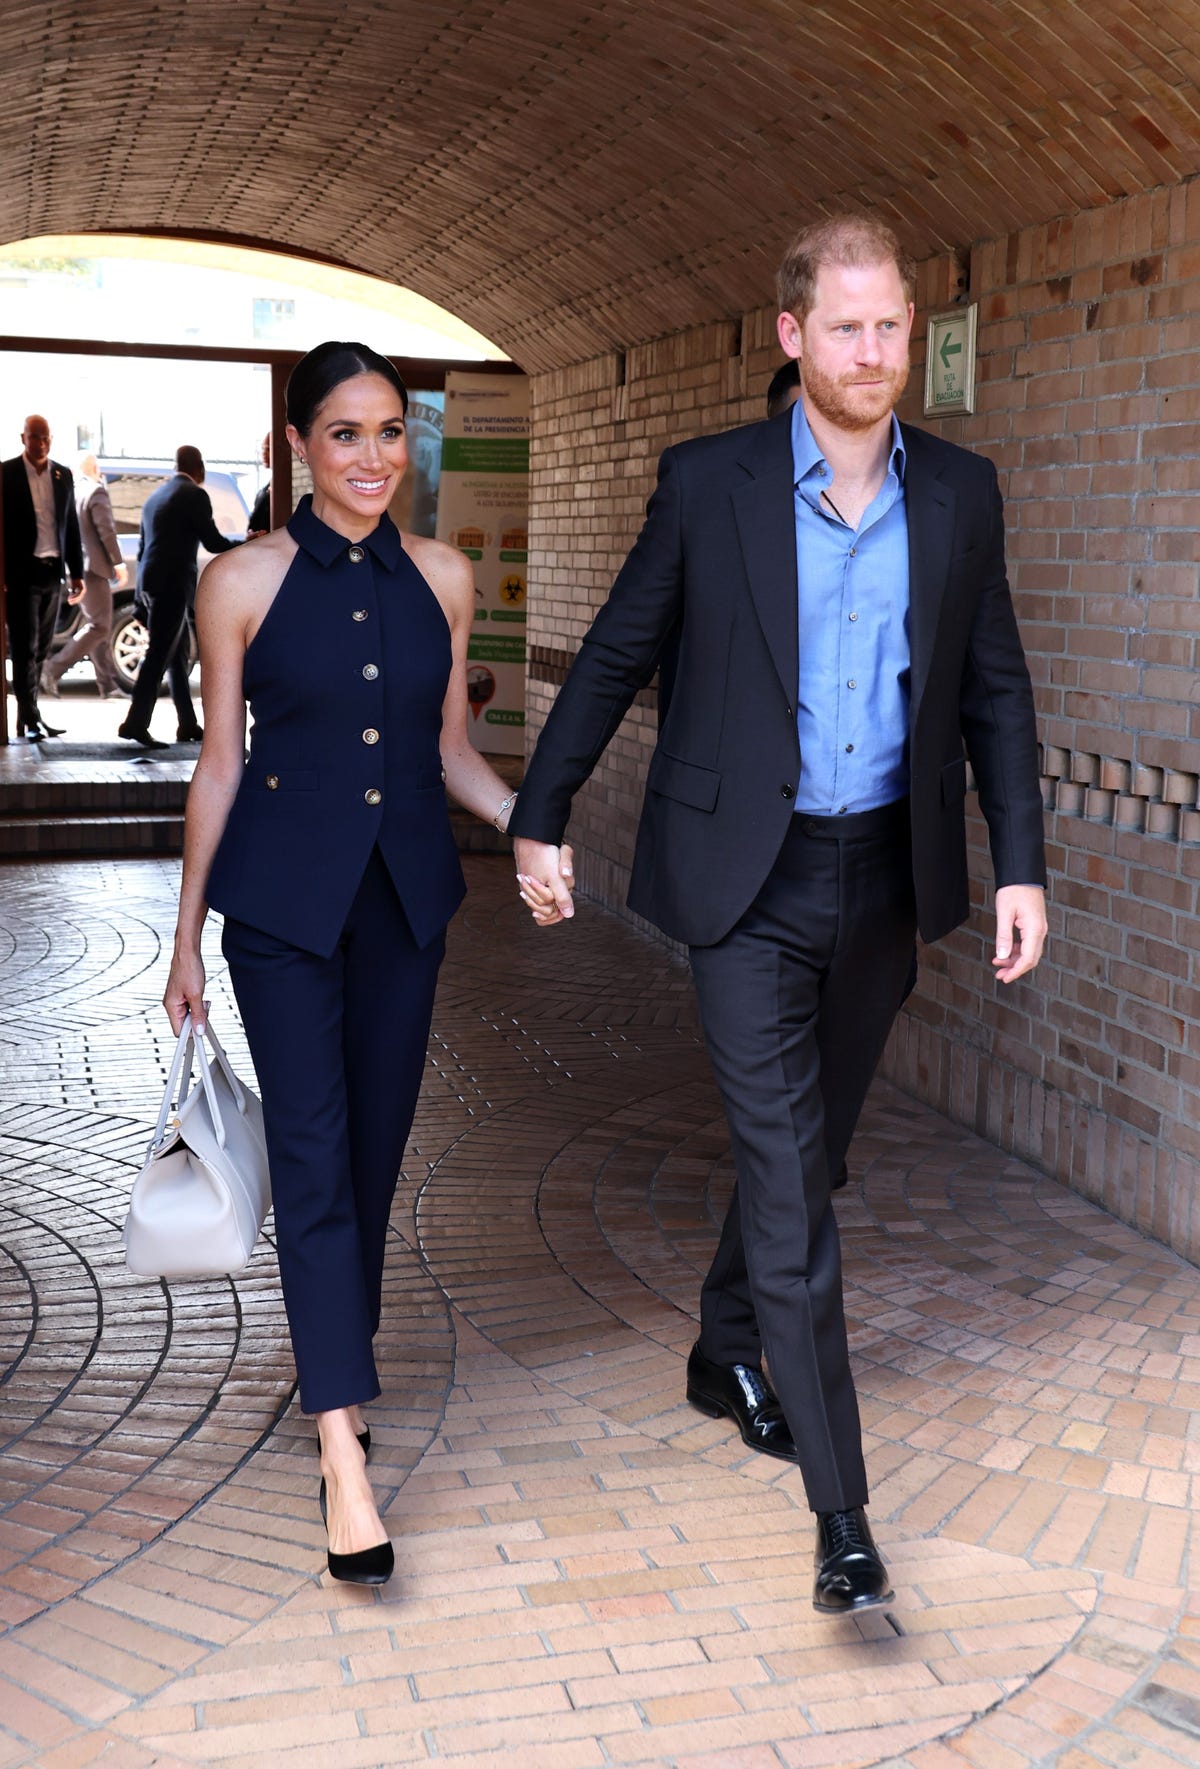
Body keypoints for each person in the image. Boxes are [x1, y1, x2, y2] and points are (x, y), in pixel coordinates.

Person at [509, 216, 1047, 1615]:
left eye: (896, 327)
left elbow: (994, 688)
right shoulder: (712, 486)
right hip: (744, 882)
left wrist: (1022, 867)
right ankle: (843, 1512)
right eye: (848, 326)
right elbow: (621, 651)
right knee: (797, 1179)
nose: (876, 352)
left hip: (885, 876)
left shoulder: (965, 495)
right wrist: (539, 810)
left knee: (819, 1147)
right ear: (794, 337)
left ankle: (720, 1340)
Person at [163, 341, 542, 1587]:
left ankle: (335, 1366)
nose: (373, 457)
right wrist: (184, 939)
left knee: (375, 1153)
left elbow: (450, 750)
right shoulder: (241, 579)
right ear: (296, 445)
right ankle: (344, 1456)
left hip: (403, 910)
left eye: (390, 433)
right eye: (345, 433)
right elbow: (219, 764)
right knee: (316, 1157)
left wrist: (523, 826)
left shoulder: (443, 575)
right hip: (278, 914)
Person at [118, 445, 238, 749]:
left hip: (152, 584)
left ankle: (187, 723)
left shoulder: (154, 497)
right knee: (159, 654)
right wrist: (246, 543)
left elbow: (145, 549)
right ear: (199, 468)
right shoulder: (195, 495)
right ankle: (135, 723)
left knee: (178, 656)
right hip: (173, 586)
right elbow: (213, 542)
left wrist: (139, 602)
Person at [2, 415, 85, 739]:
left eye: (46, 438)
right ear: (23, 437)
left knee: (42, 648)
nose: (41, 443)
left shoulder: (62, 474)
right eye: (35, 437)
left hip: (53, 572)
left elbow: (71, 525)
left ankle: (29, 716)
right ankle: (31, 719)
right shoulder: (6, 472)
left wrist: (76, 572)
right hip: (21, 573)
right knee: (24, 648)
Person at [43, 454, 128, 699]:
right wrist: (118, 562)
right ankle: (52, 668)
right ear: (94, 467)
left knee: (99, 626)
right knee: (99, 626)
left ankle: (108, 685)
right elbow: (107, 530)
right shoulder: (96, 491)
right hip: (95, 569)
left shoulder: (75, 489)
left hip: (79, 568)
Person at [247, 433, 271, 536]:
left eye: (268, 449)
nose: (264, 454)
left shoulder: (283, 490)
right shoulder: (264, 490)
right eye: (263, 449)